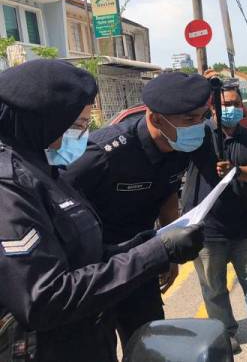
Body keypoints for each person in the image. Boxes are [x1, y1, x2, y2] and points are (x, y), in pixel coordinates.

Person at [0, 59, 204, 362]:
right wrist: (151, 255)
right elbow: (46, 298)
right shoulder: (10, 186)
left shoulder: (44, 170)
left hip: (90, 331)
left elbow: (80, 254)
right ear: (45, 121)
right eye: (78, 125)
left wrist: (150, 245)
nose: (84, 135)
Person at [61, 71, 212, 350]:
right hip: (96, 270)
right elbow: (55, 198)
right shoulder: (104, 152)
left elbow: (167, 195)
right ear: (156, 119)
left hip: (141, 262)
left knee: (150, 342)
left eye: (203, 117)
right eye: (190, 119)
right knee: (96, 347)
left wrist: (169, 254)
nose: (199, 126)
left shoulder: (179, 145)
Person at [182, 84, 247, 354]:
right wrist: (199, 85)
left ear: (243, 106)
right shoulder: (198, 136)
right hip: (208, 229)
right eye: (224, 104)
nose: (230, 109)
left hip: (246, 227)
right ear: (212, 108)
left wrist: (236, 171)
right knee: (213, 288)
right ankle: (224, 333)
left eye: (235, 103)